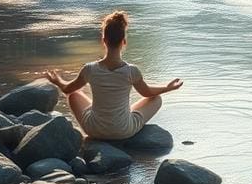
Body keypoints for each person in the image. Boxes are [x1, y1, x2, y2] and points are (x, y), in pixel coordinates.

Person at [43, 11, 182, 140]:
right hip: (124, 131)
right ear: (124, 42)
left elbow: (67, 89)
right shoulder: (131, 71)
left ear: (104, 40)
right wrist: (168, 88)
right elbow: (147, 93)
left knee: (74, 95)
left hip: (95, 130)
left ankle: (102, 121)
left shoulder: (89, 69)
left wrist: (58, 81)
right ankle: (121, 118)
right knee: (156, 99)